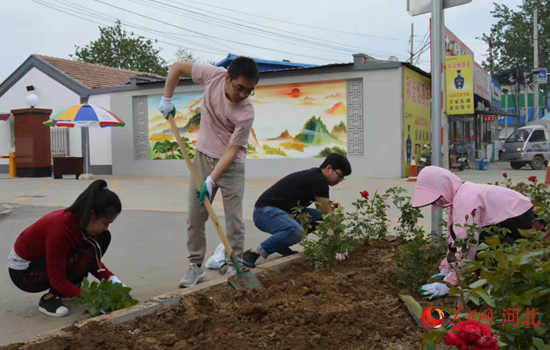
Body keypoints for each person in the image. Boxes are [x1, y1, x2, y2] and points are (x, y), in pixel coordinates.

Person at [158, 57, 260, 287]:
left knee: (234, 219)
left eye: (249, 91)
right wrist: (167, 98)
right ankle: (196, 265)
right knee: (195, 215)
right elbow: (178, 67)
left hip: (231, 165)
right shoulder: (213, 75)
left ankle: (234, 264)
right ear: (227, 78)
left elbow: (233, 149)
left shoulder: (246, 113)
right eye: (239, 88)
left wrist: (212, 179)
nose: (243, 94)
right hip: (203, 156)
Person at [412, 166, 536, 300]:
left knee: (481, 243)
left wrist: (450, 282)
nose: (436, 204)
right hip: (515, 227)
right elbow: (454, 238)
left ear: (444, 186)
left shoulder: (466, 198)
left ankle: (497, 289)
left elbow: (467, 245)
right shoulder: (461, 194)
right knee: (477, 238)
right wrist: (445, 268)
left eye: (437, 198)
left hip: (524, 230)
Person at [8, 180, 123, 317]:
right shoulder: (60, 230)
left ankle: (67, 290)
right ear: (92, 214)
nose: (105, 228)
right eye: (105, 223)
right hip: (26, 272)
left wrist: (114, 281)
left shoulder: (85, 225)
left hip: (47, 260)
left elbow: (93, 261)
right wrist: (92, 302)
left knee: (102, 239)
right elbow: (57, 278)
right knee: (81, 253)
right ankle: (49, 299)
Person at [242, 153, 352, 268]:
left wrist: (330, 243)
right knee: (295, 231)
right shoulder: (319, 180)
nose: (339, 180)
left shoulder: (316, 177)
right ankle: (254, 252)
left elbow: (323, 216)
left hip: (282, 213)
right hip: (265, 212)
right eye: (340, 176)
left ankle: (280, 244)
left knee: (319, 218)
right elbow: (328, 214)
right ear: (329, 168)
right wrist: (339, 245)